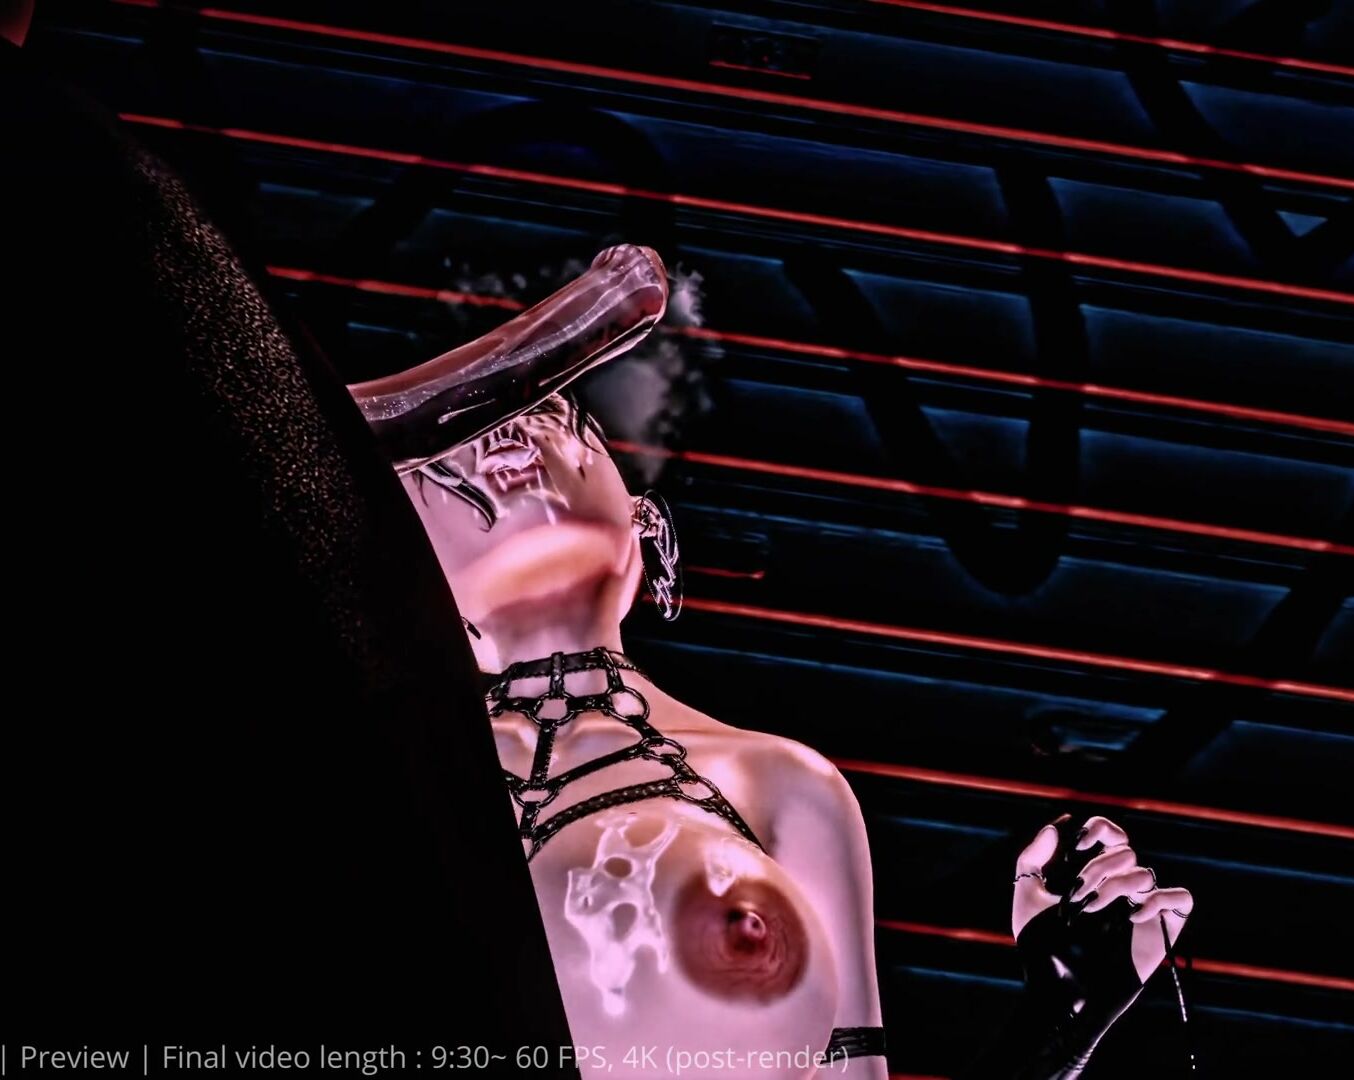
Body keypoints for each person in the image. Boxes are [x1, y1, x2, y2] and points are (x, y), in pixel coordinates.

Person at [349, 247, 1195, 1078]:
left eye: (556, 417)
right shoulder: (367, 775)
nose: (505, 436)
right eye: (448, 443)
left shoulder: (785, 786)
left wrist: (1060, 1024)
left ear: (646, 531)